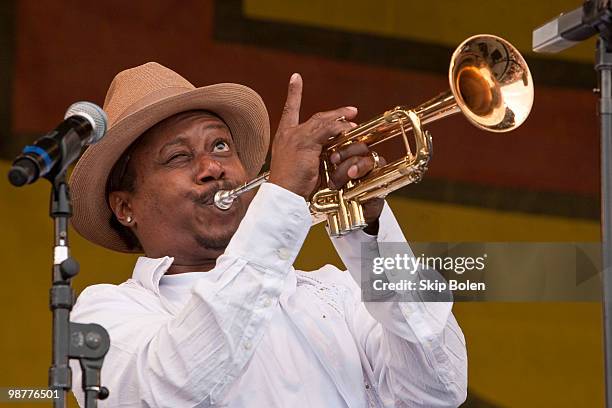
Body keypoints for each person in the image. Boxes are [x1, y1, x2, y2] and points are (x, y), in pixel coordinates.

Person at [68, 62, 467, 407]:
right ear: (125, 207)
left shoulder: (337, 292)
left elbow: (438, 390)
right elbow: (172, 388)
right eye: (178, 156)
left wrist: (370, 226)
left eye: (221, 145)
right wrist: (280, 200)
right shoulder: (103, 314)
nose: (212, 167)